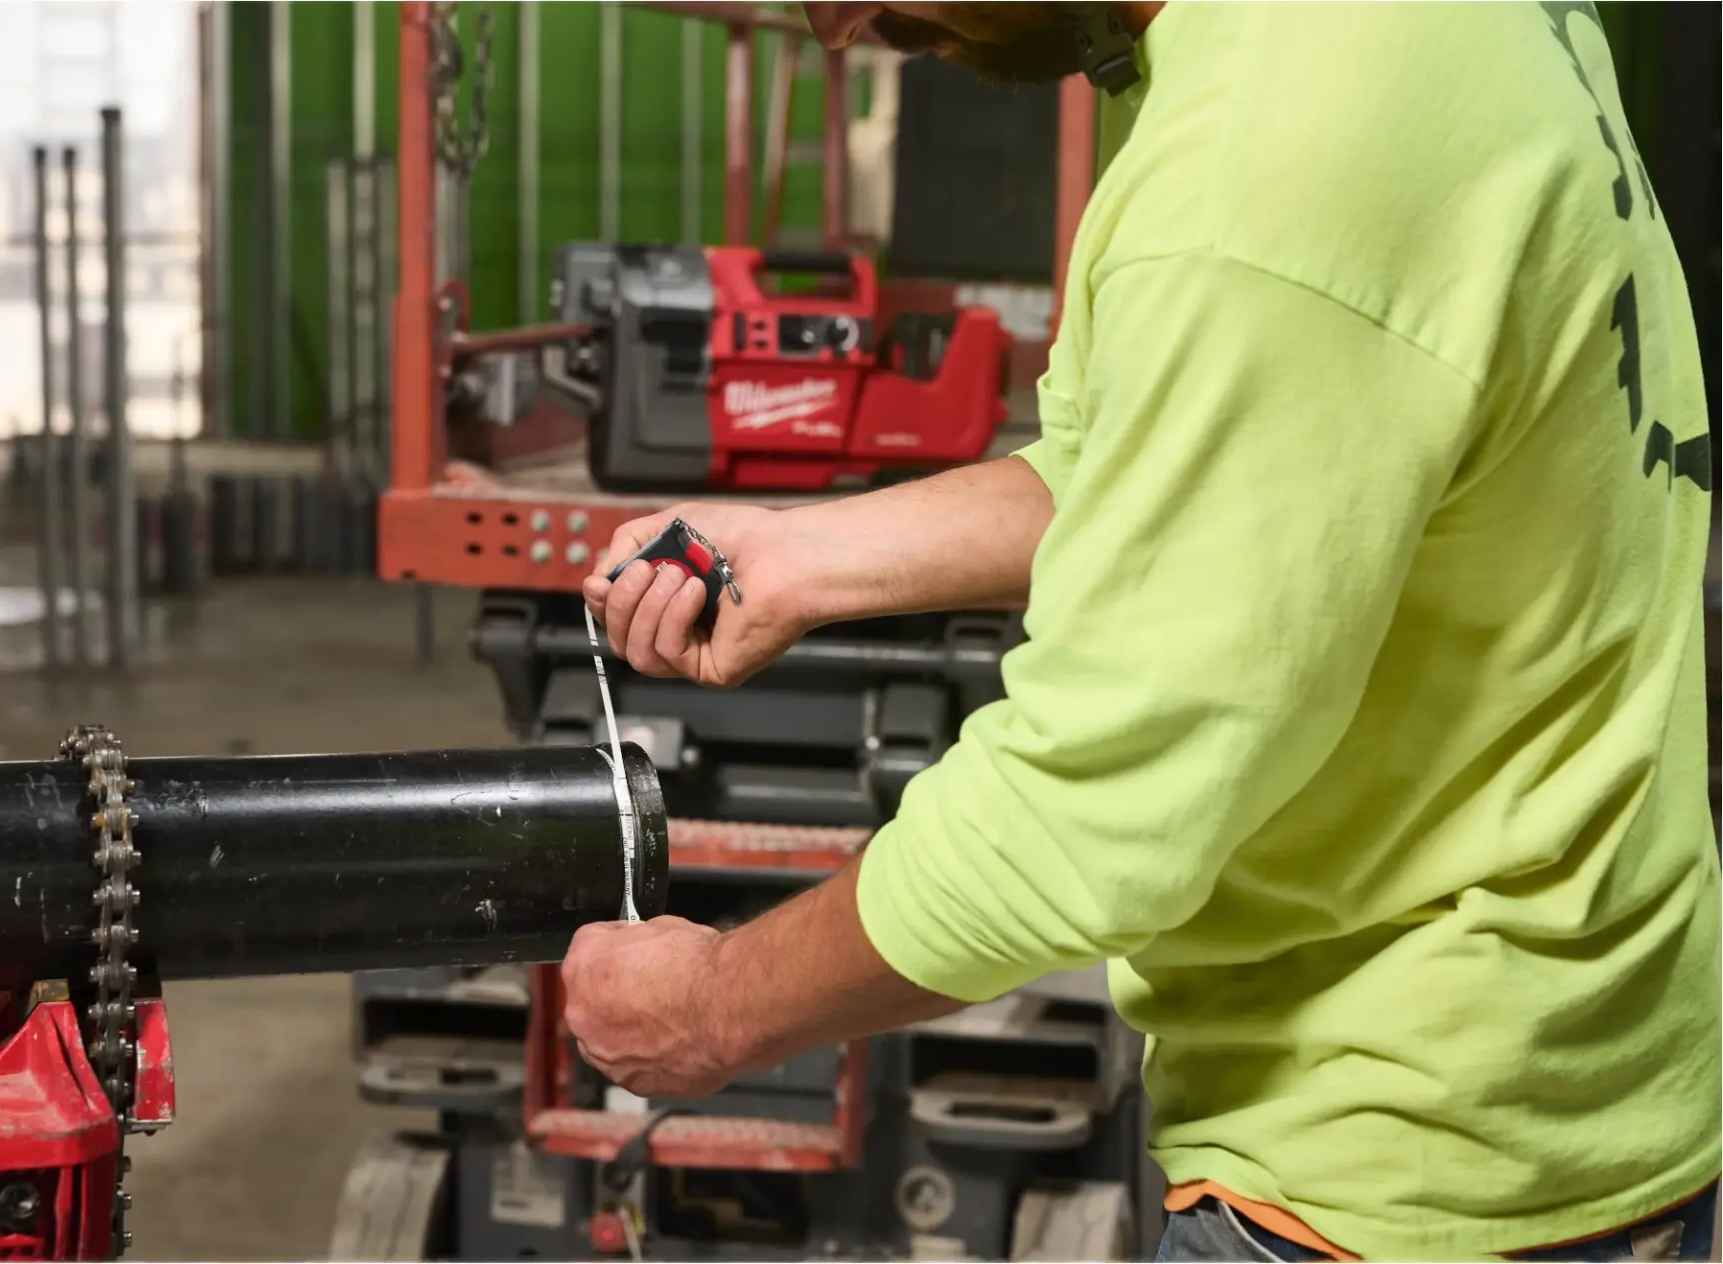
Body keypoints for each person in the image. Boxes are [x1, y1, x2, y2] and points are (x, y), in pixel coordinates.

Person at [559, 4, 1722, 1260]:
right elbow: (1151, 454)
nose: (849, 32)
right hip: (1592, 1060)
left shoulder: (1271, 154)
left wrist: (715, 1006)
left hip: (1400, 1154)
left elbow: (1088, 815)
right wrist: (804, 556)